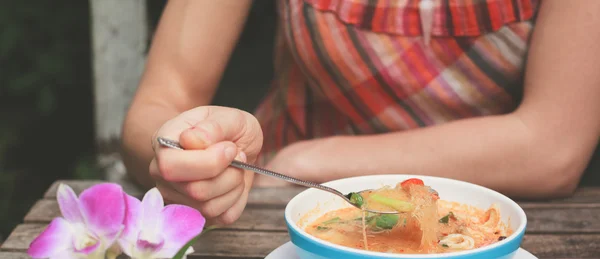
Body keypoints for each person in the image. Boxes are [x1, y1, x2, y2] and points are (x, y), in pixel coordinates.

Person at [121, 0, 600, 226]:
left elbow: (552, 147)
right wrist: (182, 149)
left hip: (487, 234)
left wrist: (306, 163)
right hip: (269, 216)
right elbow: (162, 98)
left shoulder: (302, 164)